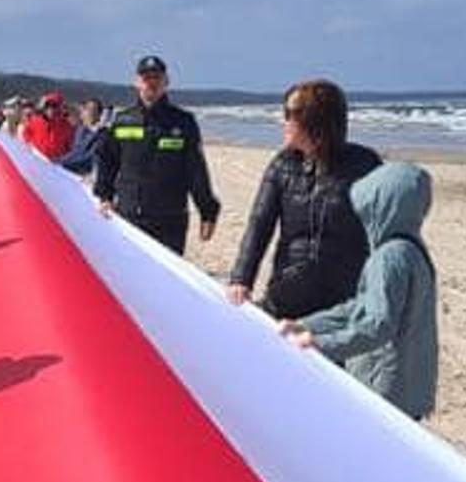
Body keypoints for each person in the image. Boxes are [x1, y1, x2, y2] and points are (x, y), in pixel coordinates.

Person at [279, 163, 439, 420]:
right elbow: (360, 307)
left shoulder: (389, 258)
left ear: (383, 207)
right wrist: (310, 325)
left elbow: (377, 326)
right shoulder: (411, 249)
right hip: (410, 390)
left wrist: (320, 344)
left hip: (386, 391)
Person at [227, 79, 382, 318]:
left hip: (343, 297)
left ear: (316, 122)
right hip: (289, 289)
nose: (284, 122)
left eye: (291, 115)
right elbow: (259, 224)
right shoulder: (282, 164)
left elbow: (383, 227)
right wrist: (241, 278)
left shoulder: (363, 164)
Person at [92, 55, 221, 255]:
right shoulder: (122, 120)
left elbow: (196, 170)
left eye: (156, 78)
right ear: (137, 82)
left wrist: (208, 212)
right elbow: (107, 160)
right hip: (129, 217)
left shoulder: (183, 122)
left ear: (166, 82)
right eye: (146, 78)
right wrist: (104, 195)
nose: (151, 83)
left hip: (170, 220)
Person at [56, 97, 106, 176]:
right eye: (87, 109)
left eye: (93, 110)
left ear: (99, 115)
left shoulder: (103, 136)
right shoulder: (79, 130)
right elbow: (74, 151)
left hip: (83, 176)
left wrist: (60, 163)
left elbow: (86, 158)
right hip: (70, 172)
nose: (89, 112)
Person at [21, 91, 75, 161]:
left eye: (54, 106)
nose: (51, 109)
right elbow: (25, 137)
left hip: (56, 164)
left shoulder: (66, 126)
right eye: (48, 105)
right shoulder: (35, 122)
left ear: (60, 107)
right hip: (37, 161)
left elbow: (70, 147)